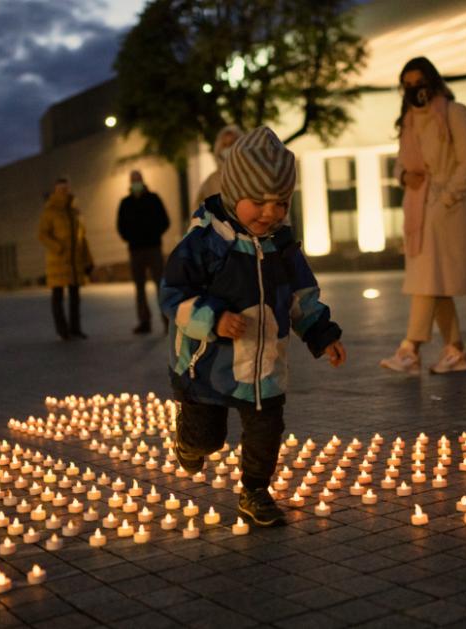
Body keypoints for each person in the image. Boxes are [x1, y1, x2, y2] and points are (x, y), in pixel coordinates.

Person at [160, 126, 346, 527]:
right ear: (233, 192)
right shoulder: (207, 241)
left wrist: (321, 333)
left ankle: (256, 492)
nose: (269, 213)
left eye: (280, 203)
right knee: (207, 440)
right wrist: (212, 319)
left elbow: (302, 295)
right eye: (258, 201)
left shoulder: (282, 245)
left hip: (265, 369)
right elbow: (173, 292)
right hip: (207, 367)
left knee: (266, 430)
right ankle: (188, 440)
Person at [380, 57, 466, 376]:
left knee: (427, 279)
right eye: (407, 85)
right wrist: (403, 177)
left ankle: (411, 349)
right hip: (417, 208)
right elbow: (399, 164)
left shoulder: (454, 113)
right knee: (435, 281)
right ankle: (456, 350)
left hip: (447, 209)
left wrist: (447, 197)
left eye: (419, 83)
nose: (413, 91)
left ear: (432, 81)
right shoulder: (409, 122)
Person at [38, 177, 95, 341]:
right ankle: (62, 331)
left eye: (65, 188)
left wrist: (88, 258)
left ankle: (75, 329)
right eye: (60, 189)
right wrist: (58, 247)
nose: (63, 191)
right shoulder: (49, 211)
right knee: (57, 296)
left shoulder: (75, 212)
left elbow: (82, 237)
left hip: (74, 260)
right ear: (55, 191)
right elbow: (42, 234)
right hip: (58, 260)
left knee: (75, 296)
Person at [117, 170, 170, 334]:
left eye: (138, 179)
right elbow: (120, 226)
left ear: (142, 180)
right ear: (130, 183)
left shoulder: (153, 199)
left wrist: (154, 234)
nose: (136, 182)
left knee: (161, 286)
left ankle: (168, 322)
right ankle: (144, 322)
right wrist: (130, 238)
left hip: (153, 248)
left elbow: (165, 221)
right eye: (133, 180)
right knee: (139, 289)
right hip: (135, 250)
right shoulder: (125, 203)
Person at [193, 125, 244, 209]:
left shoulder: (256, 174)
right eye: (225, 145)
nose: (229, 148)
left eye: (233, 143)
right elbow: (199, 210)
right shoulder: (212, 181)